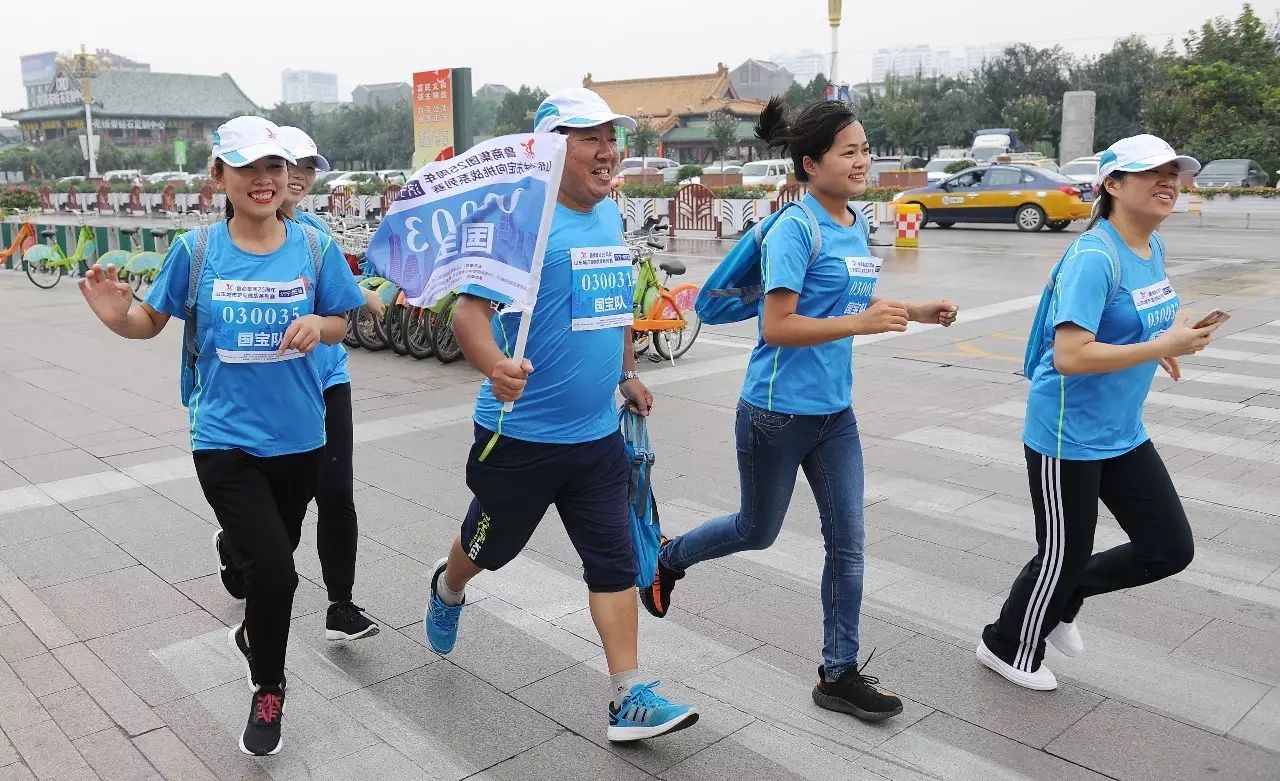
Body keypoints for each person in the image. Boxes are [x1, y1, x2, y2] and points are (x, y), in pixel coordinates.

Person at [639, 97, 959, 723]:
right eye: (849, 151)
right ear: (811, 165)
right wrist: (859, 324)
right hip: (776, 414)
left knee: (849, 545)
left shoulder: (853, 223)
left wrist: (913, 310)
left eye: (866, 148)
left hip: (835, 415)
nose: (863, 160)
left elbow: (851, 295)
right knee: (756, 531)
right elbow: (778, 326)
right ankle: (666, 557)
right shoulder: (796, 228)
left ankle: (838, 674)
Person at [79, 116, 365, 755]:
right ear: (219, 177)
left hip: (299, 440)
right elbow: (148, 321)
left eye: (273, 168)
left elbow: (345, 319)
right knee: (279, 572)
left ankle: (252, 619)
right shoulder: (198, 251)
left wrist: (320, 326)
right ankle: (270, 687)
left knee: (271, 556)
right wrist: (114, 317)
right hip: (224, 441)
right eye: (247, 169)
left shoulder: (313, 250)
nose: (264, 181)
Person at [421, 87, 698, 742]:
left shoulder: (609, 214)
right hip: (518, 439)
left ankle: (628, 692)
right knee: (491, 547)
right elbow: (468, 313)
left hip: (596, 438)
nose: (608, 152)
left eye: (611, 137)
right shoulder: (517, 224)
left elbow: (614, 303)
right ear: (550, 151)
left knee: (613, 559)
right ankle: (448, 585)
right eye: (589, 138)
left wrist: (627, 374)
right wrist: (494, 365)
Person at [977, 134, 1216, 690]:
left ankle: (1065, 596)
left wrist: (1164, 346)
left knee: (1168, 548)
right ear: (1112, 184)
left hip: (1122, 431)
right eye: (1151, 173)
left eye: (1174, 173)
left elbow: (1138, 317)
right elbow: (1071, 354)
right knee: (1062, 555)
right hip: (1067, 434)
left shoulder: (1149, 247)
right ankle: (1006, 644)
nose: (1168, 182)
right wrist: (1161, 348)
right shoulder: (1095, 256)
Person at [211, 125, 381, 643]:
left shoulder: (314, 238)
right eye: (291, 165)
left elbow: (342, 306)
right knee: (277, 517)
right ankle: (241, 550)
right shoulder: (226, 242)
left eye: (305, 167)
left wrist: (364, 300)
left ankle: (340, 604)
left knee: (336, 495)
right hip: (257, 400)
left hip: (327, 382)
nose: (301, 176)